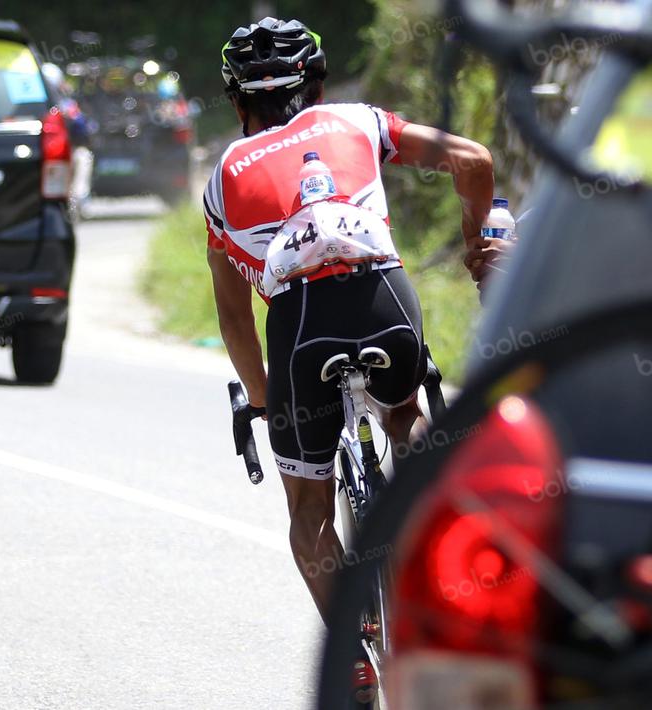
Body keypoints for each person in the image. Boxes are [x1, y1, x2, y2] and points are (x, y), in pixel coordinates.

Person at [204, 17, 502, 624]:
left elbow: (234, 321)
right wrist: (479, 254)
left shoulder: (221, 179)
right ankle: (445, 564)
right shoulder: (356, 120)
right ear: (317, 86)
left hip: (301, 325)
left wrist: (267, 403)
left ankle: (353, 650)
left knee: (309, 511)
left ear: (237, 102)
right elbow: (473, 160)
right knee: (405, 416)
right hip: (383, 298)